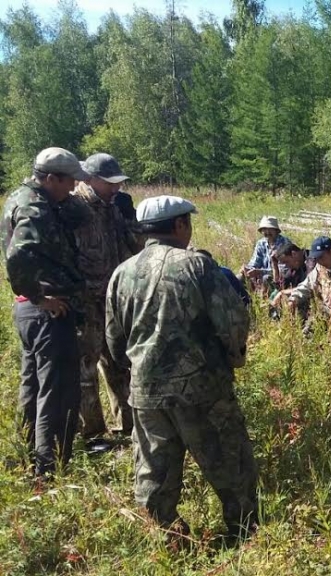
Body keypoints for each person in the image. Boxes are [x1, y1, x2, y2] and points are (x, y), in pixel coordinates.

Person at [106, 195, 258, 541]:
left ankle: (167, 540)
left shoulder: (122, 273)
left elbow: (114, 342)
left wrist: (138, 372)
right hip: (203, 390)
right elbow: (233, 321)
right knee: (231, 466)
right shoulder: (197, 267)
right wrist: (234, 358)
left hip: (145, 394)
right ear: (179, 225)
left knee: (153, 473)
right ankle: (245, 536)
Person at [3, 147, 91, 480]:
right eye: (69, 182)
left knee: (33, 386)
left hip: (30, 311)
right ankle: (49, 469)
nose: (73, 189)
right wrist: (42, 299)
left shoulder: (21, 196)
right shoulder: (36, 208)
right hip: (47, 311)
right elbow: (19, 257)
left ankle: (28, 459)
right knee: (57, 391)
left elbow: (81, 215)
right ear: (51, 178)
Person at [72, 153, 138, 452]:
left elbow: (131, 248)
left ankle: (127, 424)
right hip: (85, 301)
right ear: (90, 179)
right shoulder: (74, 209)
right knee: (86, 370)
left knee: (119, 362)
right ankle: (93, 435)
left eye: (118, 184)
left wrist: (130, 220)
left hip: (114, 298)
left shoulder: (114, 207)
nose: (115, 189)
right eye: (109, 184)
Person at [239, 216, 291, 288]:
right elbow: (255, 263)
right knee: (240, 277)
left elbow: (283, 271)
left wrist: (260, 272)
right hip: (261, 277)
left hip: (278, 278)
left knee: (266, 278)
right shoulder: (261, 243)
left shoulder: (284, 244)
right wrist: (247, 269)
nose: (267, 232)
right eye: (264, 229)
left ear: (276, 231)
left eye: (270, 229)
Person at [268, 241, 313, 318]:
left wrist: (283, 292)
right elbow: (280, 287)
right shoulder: (294, 267)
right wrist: (275, 265)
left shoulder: (311, 260)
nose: (287, 265)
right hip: (303, 294)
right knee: (275, 295)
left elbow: (310, 286)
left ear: (294, 254)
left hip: (314, 298)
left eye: (286, 262)